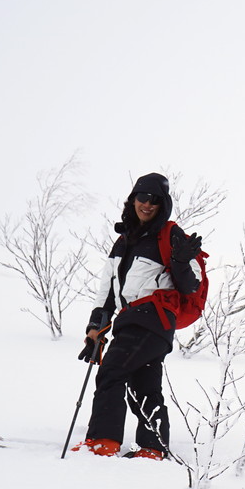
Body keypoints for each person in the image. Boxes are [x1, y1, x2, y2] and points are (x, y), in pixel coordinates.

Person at [74, 173, 202, 460]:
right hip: (130, 319)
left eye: (155, 199)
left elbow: (190, 284)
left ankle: (102, 442)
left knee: (112, 371)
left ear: (163, 204)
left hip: (153, 316)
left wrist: (181, 262)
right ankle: (153, 448)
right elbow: (108, 289)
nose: (147, 204)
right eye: (142, 197)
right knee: (143, 384)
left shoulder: (171, 236)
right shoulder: (123, 242)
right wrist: (97, 327)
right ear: (132, 200)